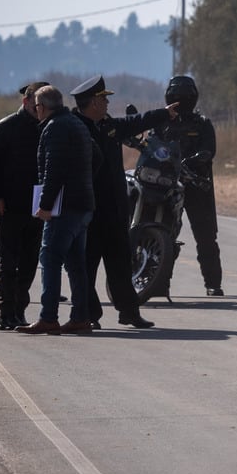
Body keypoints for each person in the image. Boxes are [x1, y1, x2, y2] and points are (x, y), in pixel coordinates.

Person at [72, 75, 173, 328]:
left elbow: (135, 121)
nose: (107, 104)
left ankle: (129, 312)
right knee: (86, 266)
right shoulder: (73, 127)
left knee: (120, 263)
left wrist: (164, 113)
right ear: (93, 102)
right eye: (104, 99)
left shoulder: (108, 125)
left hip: (115, 209)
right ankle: (88, 315)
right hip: (88, 210)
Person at [17, 86, 98, 334]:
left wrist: (44, 205)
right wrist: (82, 180)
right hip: (83, 204)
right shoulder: (76, 123)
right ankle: (80, 317)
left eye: (36, 107)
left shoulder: (55, 128)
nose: (35, 111)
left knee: (50, 259)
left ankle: (48, 317)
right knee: (76, 265)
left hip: (65, 208)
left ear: (42, 107)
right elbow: (98, 158)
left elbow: (53, 170)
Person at [0, 82, 49, 330]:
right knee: (9, 264)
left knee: (29, 263)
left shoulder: (47, 127)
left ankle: (18, 311)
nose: (40, 107)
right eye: (37, 102)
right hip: (9, 207)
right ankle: (5, 313)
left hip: (37, 208)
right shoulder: (7, 127)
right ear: (26, 101)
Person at [155, 75, 223, 296]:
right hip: (166, 185)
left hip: (197, 185)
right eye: (176, 97)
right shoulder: (161, 122)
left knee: (206, 237)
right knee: (162, 233)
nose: (180, 101)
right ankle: (159, 282)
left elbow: (209, 150)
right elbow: (151, 147)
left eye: (184, 97)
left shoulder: (202, 124)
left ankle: (213, 284)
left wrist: (194, 160)